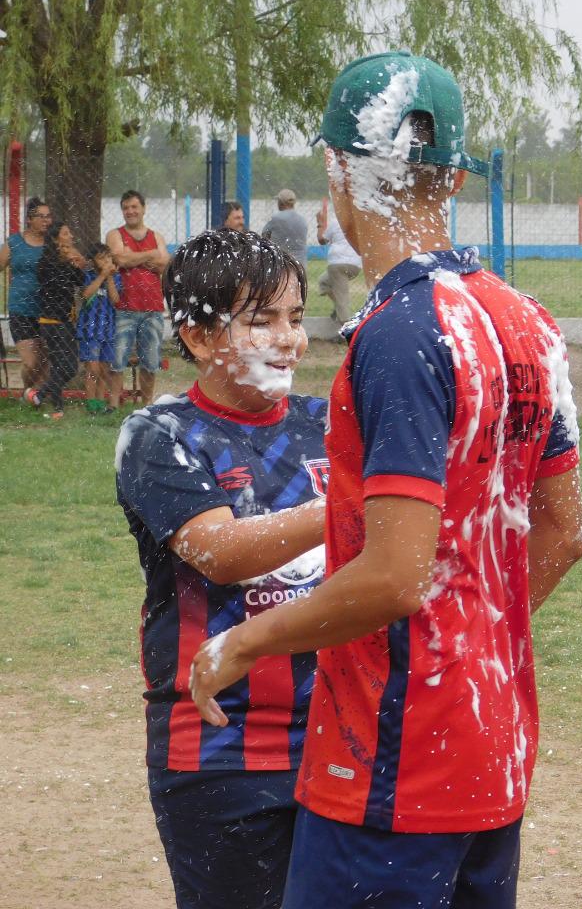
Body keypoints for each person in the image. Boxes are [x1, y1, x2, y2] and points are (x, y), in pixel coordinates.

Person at [188, 50, 582, 909]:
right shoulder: (528, 319)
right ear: (455, 177)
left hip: (390, 763)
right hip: (490, 744)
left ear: (338, 171)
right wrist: (469, 648)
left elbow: (396, 577)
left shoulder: (400, 332)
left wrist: (244, 644)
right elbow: (563, 534)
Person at [115, 229, 328, 909]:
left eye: (295, 316)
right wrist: (358, 503)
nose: (288, 339)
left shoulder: (331, 425)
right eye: (261, 320)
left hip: (340, 735)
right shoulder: (161, 434)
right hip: (220, 749)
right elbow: (222, 552)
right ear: (200, 337)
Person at [107, 189, 170, 409]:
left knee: (150, 362)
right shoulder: (115, 234)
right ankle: (113, 405)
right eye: (126, 208)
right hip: (124, 307)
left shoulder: (156, 236)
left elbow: (165, 265)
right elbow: (120, 259)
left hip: (152, 308)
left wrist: (133, 257)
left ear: (143, 208)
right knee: (117, 360)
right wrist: (150, 255)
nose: (130, 211)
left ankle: (147, 406)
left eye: (134, 207)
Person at [24, 221, 85, 419]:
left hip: (64, 322)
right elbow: (55, 287)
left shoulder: (64, 260)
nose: (71, 236)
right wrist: (66, 261)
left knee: (59, 367)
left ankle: (57, 409)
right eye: (66, 233)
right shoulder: (46, 262)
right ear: (55, 239)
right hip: (53, 323)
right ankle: (38, 394)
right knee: (69, 368)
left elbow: (79, 281)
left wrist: (76, 264)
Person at [0, 197, 53, 389]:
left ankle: (36, 398)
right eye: (41, 216)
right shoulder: (14, 242)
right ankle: (28, 392)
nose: (46, 220)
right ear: (29, 219)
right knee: (31, 363)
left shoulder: (53, 243)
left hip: (48, 309)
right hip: (21, 309)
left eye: (48, 216)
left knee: (45, 360)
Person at [77, 242, 121, 414]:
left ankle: (100, 401)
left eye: (108, 257)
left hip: (108, 330)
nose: (106, 261)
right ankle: (91, 402)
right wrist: (102, 275)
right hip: (90, 330)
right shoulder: (88, 276)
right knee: (93, 368)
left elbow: (115, 300)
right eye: (101, 258)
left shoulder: (115, 277)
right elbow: (86, 294)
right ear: (93, 261)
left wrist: (109, 277)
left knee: (104, 369)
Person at [315, 198, 361, 324]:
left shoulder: (336, 222)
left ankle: (345, 328)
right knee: (324, 282)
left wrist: (320, 223)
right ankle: (338, 307)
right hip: (355, 265)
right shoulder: (358, 222)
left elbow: (321, 240)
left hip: (337, 264)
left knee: (342, 300)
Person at [261, 189, 308, 268]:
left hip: (282, 263)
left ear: (281, 203)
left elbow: (264, 236)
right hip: (300, 264)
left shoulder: (276, 218)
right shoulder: (302, 220)